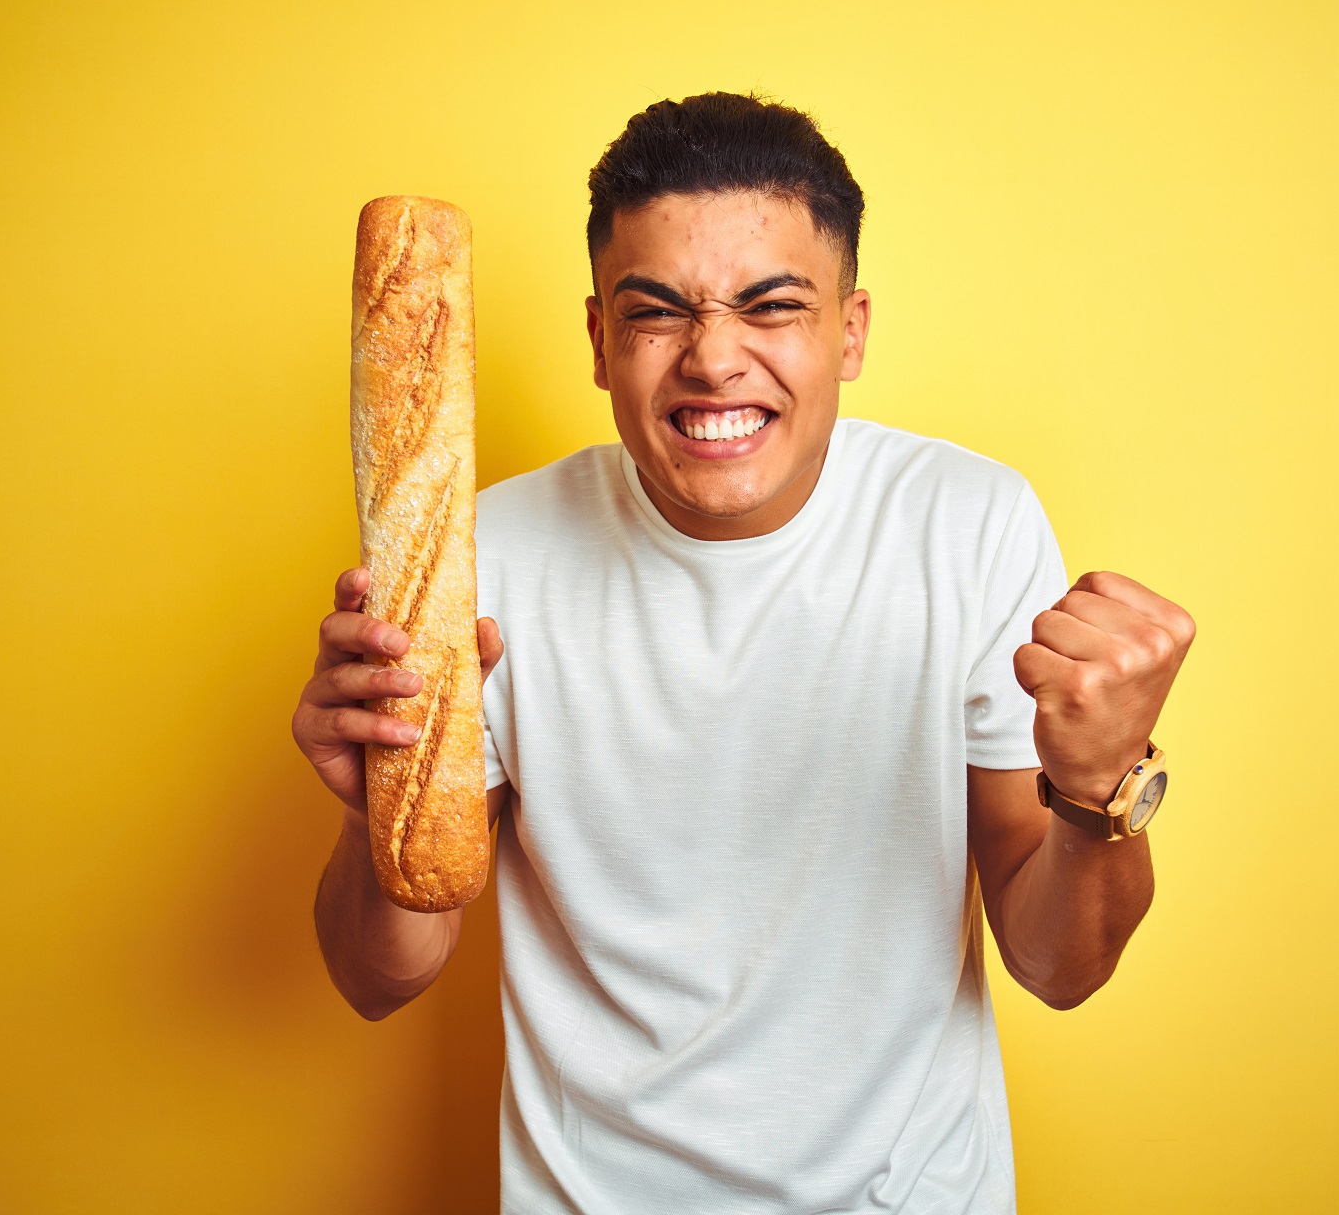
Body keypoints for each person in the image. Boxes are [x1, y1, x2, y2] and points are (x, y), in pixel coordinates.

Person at [292, 92, 1195, 1213]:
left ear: (851, 330)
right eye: (658, 312)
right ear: (599, 340)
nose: (713, 360)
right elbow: (381, 975)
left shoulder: (968, 524)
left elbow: (1060, 965)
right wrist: (367, 807)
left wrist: (1098, 787)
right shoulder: (485, 561)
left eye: (771, 305)